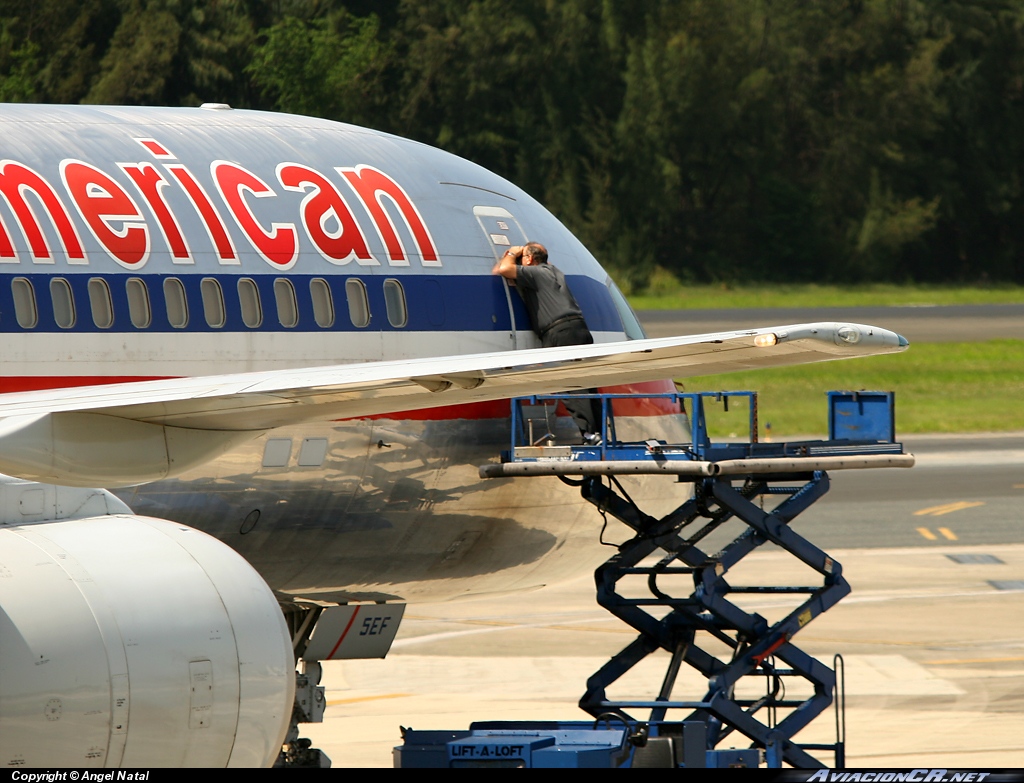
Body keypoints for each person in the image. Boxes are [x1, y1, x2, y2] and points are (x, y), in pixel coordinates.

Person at [493, 242, 602, 444]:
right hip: (579, 329)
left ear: (530, 260)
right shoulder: (554, 271)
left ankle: (588, 433)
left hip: (559, 332)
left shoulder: (536, 273)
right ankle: (598, 432)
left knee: (567, 383)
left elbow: (503, 269)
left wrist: (511, 252)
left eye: (523, 257)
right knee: (587, 382)